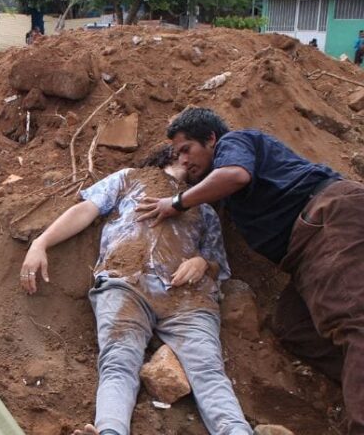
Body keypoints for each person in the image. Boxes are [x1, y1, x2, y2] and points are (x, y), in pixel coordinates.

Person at [136, 107, 364, 435]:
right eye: (177, 155)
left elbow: (235, 175)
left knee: (352, 320)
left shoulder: (235, 142)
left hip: (329, 218)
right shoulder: (222, 197)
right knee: (292, 325)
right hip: (304, 255)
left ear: (211, 139)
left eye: (187, 149)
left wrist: (175, 201)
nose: (184, 160)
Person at [20, 147, 252, 435]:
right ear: (174, 153)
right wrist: (40, 243)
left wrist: (203, 262)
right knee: (119, 361)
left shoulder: (204, 208)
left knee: (208, 372)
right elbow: (86, 209)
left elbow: (218, 262)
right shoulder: (129, 179)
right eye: (185, 152)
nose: (189, 162)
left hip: (189, 300)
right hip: (125, 284)